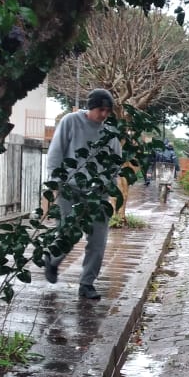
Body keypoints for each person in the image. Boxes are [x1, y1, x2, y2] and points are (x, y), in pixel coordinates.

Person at [43, 88, 122, 300]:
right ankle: (52, 259)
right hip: (70, 189)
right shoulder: (71, 122)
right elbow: (56, 152)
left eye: (108, 111)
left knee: (98, 240)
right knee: (68, 234)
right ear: (90, 107)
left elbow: (116, 162)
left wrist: (110, 186)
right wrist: (56, 182)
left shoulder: (111, 132)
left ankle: (87, 284)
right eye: (100, 110)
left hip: (98, 194)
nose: (104, 114)